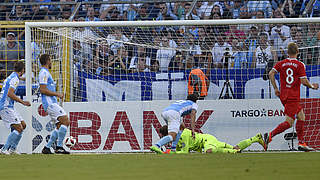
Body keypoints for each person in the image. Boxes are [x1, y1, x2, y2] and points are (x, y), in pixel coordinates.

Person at [264, 42, 319, 151]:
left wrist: (275, 88)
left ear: (287, 52)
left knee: (301, 116)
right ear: (298, 52)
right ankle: (270, 136)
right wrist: (312, 86)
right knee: (289, 122)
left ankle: (301, 143)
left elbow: (270, 73)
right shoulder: (300, 65)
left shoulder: (281, 63)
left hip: (284, 95)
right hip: (293, 96)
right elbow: (303, 81)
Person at [156, 125, 265, 154]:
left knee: (208, 151)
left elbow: (183, 152)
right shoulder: (178, 138)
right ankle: (255, 138)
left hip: (207, 141)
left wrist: (168, 152)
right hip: (209, 139)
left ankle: (234, 152)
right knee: (235, 146)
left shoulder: (183, 136)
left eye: (166, 138)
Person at [39, 54, 70, 154]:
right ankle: (59, 147)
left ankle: (47, 148)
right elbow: (43, 90)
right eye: (51, 60)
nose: (51, 62)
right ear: (48, 61)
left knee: (59, 125)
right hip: (49, 103)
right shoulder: (44, 73)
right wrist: (57, 94)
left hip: (51, 102)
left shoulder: (46, 72)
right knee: (66, 121)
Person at [0, 61, 31, 155]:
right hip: (5, 106)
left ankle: (12, 149)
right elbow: (10, 93)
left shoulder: (13, 76)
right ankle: (4, 149)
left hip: (9, 106)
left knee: (23, 125)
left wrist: (24, 78)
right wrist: (23, 102)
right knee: (18, 128)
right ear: (22, 70)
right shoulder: (15, 79)